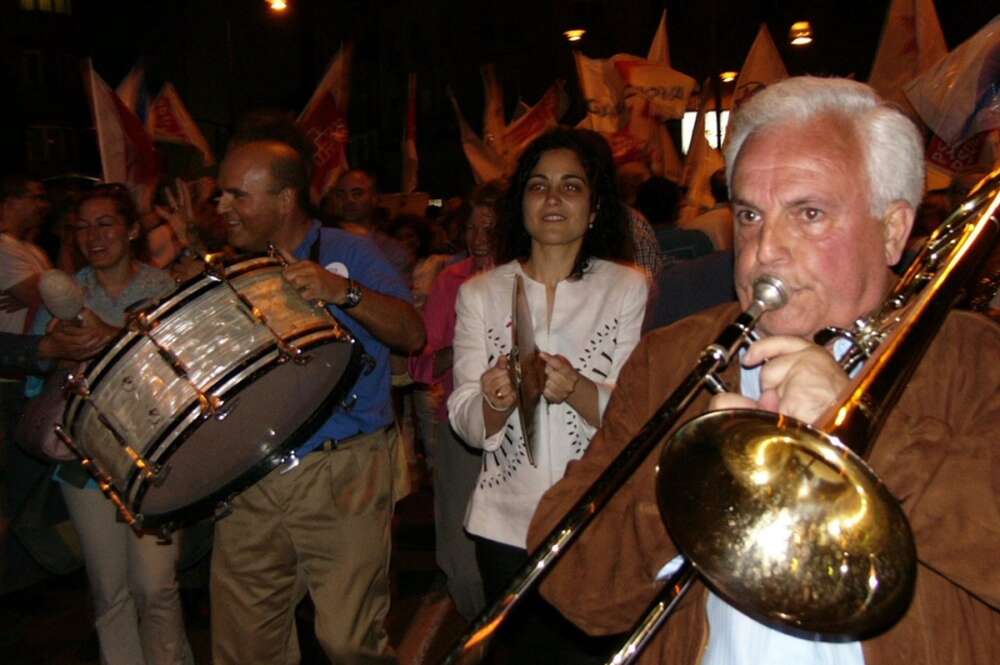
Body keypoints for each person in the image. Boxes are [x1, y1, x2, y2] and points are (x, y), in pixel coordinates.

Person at [528, 77, 1000, 665]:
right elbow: (573, 586)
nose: (764, 250)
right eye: (749, 213)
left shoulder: (976, 359)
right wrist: (692, 474)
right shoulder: (672, 360)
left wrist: (866, 431)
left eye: (809, 213)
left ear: (893, 230)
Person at [211, 139, 425, 665]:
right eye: (220, 195)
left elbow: (412, 333)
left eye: (237, 195)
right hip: (254, 473)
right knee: (245, 646)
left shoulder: (349, 253)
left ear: (285, 200)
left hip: (343, 466)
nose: (222, 207)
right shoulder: (232, 270)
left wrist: (341, 290)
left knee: (349, 642)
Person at [448, 127, 648, 662]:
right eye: (538, 186)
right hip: (504, 522)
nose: (553, 199)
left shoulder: (627, 287)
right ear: (522, 203)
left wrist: (578, 389)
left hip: (594, 515)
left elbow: (635, 418)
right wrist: (493, 399)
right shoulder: (480, 294)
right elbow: (465, 421)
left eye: (571, 186)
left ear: (595, 205)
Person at [45, 184, 193, 665]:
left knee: (156, 585)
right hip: (85, 463)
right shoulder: (63, 294)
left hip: (151, 459)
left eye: (105, 223)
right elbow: (46, 370)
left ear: (131, 229)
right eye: (83, 227)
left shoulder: (164, 289)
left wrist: (114, 339)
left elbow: (180, 369)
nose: (93, 235)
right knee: (110, 593)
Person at [407, 181, 502, 622]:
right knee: (461, 555)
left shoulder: (528, 277)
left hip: (518, 430)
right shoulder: (451, 280)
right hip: (460, 427)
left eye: (490, 228)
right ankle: (475, 627)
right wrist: (469, 344)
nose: (479, 238)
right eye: (472, 228)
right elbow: (423, 365)